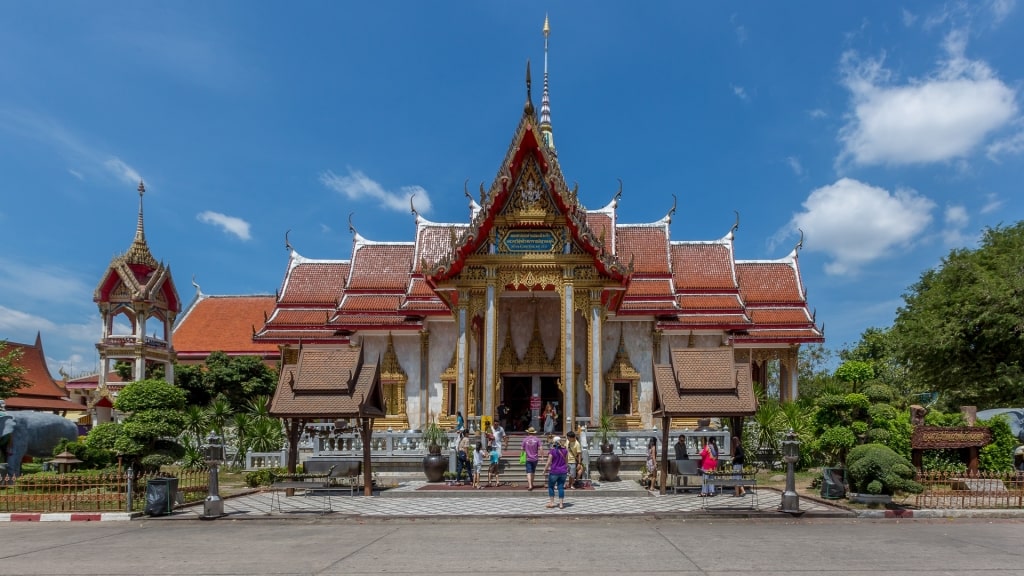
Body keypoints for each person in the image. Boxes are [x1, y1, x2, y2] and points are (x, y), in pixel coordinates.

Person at [543, 435, 569, 509]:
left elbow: (549, 462)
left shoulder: (552, 451)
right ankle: (561, 504)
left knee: (551, 487)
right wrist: (565, 468)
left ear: (554, 442)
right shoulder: (565, 450)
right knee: (560, 487)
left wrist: (544, 470)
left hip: (554, 471)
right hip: (563, 471)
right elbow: (567, 461)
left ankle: (552, 502)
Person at [521, 426, 542, 491]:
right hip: (535, 458)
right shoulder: (537, 439)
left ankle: (530, 485)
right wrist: (542, 456)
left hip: (528, 458)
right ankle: (531, 484)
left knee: (528, 472)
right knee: (533, 472)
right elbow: (541, 448)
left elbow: (522, 449)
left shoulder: (525, 439)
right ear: (534, 433)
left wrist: (523, 454)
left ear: (528, 432)